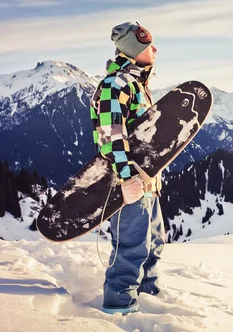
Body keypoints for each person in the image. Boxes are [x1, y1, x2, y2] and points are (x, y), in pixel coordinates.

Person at [89, 22, 165, 315]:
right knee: (131, 246)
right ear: (134, 51)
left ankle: (148, 294)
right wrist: (126, 178)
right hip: (128, 184)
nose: (155, 50)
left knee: (154, 242)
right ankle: (119, 306)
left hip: (147, 183)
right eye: (148, 46)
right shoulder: (115, 85)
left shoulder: (138, 85)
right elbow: (111, 136)